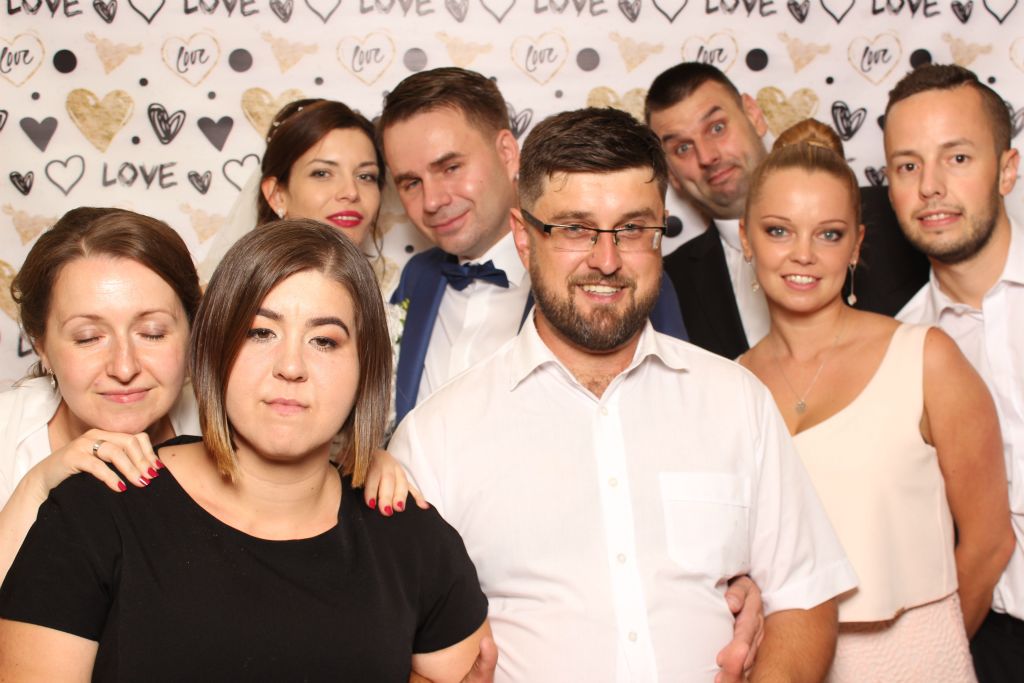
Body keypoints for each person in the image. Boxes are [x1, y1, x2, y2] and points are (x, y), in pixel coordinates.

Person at [389, 107, 857, 682]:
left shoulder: (737, 402)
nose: (606, 261)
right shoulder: (436, 437)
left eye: (633, 229)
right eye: (574, 229)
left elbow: (804, 596)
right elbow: (402, 641)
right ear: (524, 238)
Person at [0, 219, 493, 681]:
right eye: (261, 332)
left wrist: (371, 458)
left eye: (324, 341)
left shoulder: (412, 537)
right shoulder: (93, 512)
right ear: (213, 347)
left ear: (366, 366)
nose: (291, 366)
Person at [0, 208, 414, 584]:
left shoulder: (235, 413)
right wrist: (36, 487)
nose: (124, 368)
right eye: (88, 337)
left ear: (197, 330)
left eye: (152, 333)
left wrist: (366, 462)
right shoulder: (9, 434)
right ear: (40, 345)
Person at [737, 119, 1013, 680]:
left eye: (829, 234)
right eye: (779, 231)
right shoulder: (729, 384)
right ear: (746, 239)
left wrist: (932, 656)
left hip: (916, 658)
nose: (803, 255)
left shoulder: (925, 357)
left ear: (857, 245)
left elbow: (989, 541)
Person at [379, 67, 687, 424]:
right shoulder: (418, 277)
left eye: (450, 168)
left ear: (508, 152)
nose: (432, 200)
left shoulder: (618, 277)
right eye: (411, 183)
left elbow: (672, 410)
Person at [885, 64, 1024, 683]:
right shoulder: (900, 348)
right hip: (988, 646)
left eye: (958, 157)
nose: (930, 187)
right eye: (907, 166)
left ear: (1008, 170)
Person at [645, 62, 929, 359]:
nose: (707, 156)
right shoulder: (667, 285)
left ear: (753, 115)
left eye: (717, 128)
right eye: (682, 148)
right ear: (669, 172)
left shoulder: (892, 216)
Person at [199, 98, 398, 294]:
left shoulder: (385, 301)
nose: (351, 192)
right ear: (277, 195)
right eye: (322, 173)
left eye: (365, 176)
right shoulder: (223, 300)